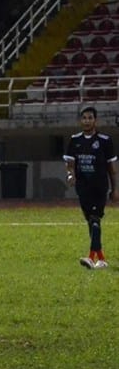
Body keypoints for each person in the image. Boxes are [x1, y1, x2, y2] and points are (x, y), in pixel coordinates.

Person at [64, 106, 118, 269]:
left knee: (95, 219)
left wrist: (115, 189)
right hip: (83, 187)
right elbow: (70, 164)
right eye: (84, 118)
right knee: (91, 221)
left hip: (99, 186)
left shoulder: (104, 141)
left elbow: (112, 168)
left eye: (90, 118)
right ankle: (101, 259)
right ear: (81, 120)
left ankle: (90, 257)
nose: (87, 121)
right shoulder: (75, 140)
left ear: (96, 120)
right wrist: (70, 175)